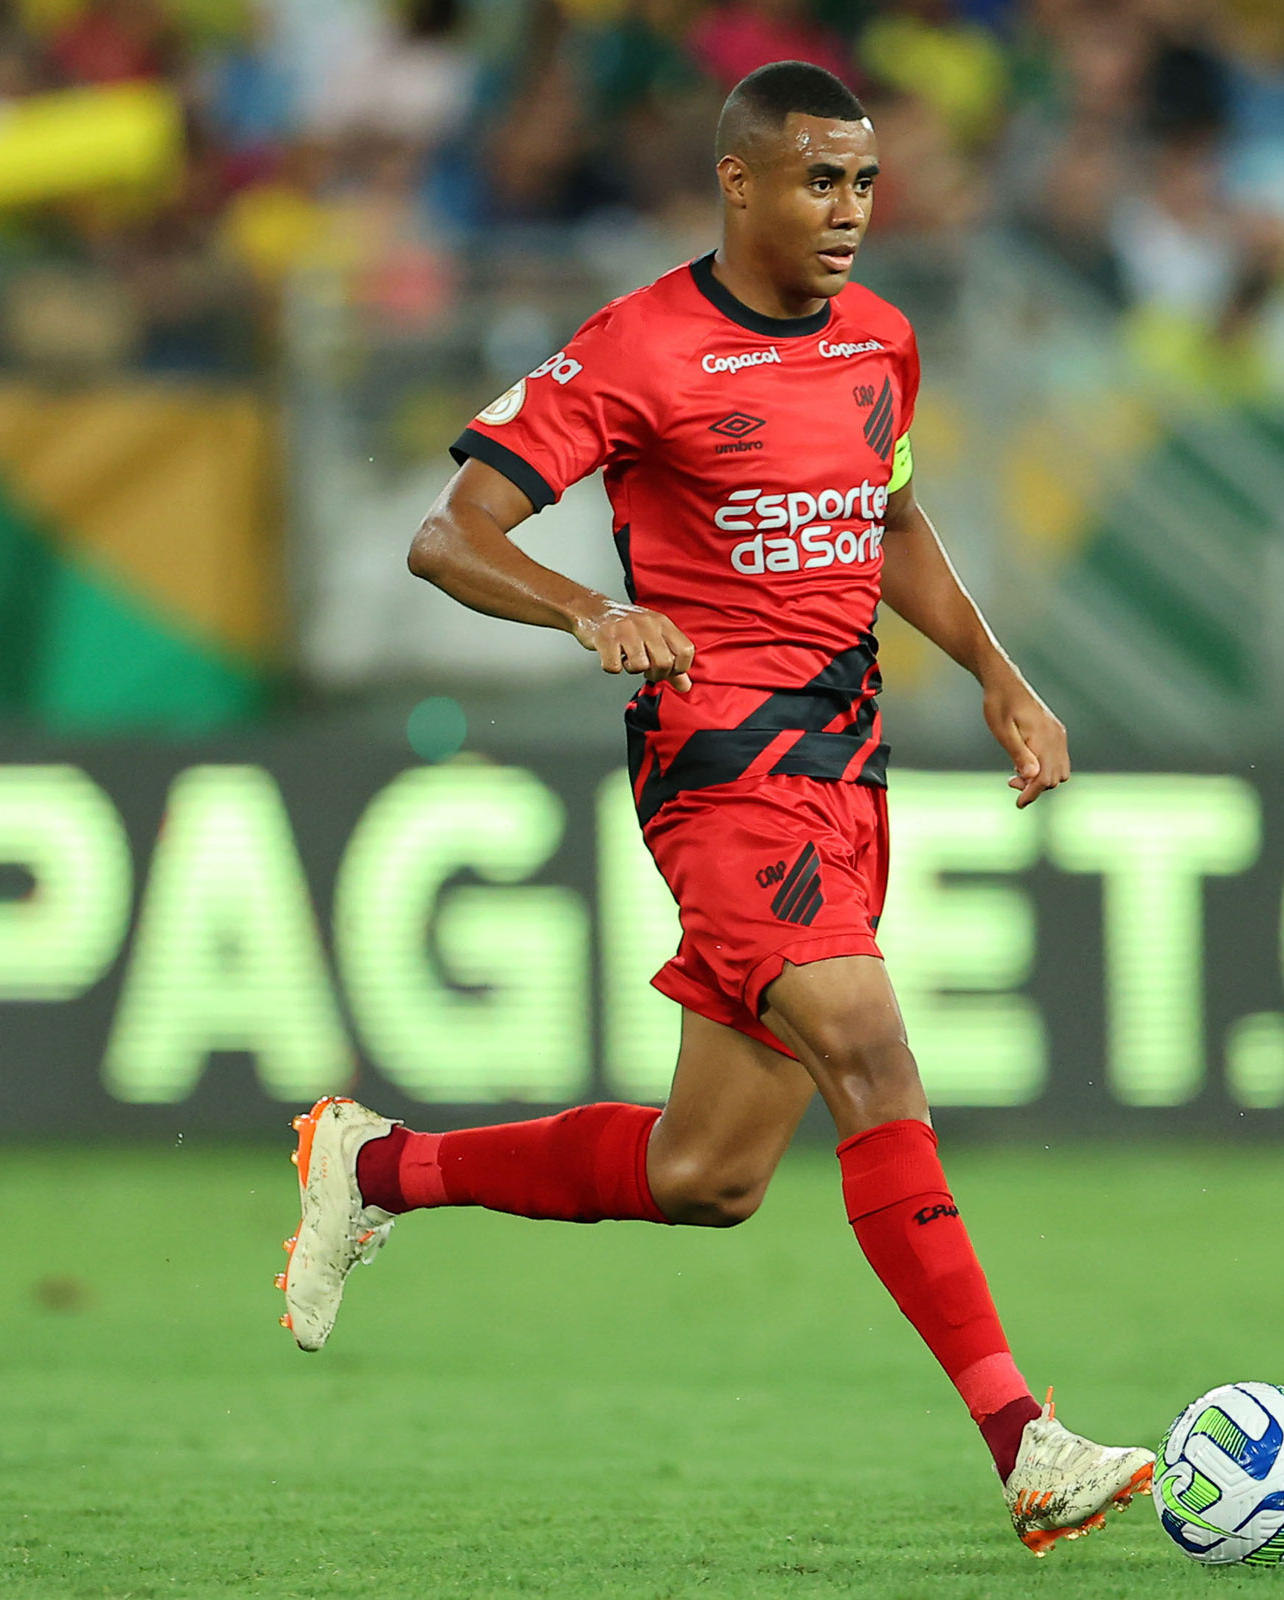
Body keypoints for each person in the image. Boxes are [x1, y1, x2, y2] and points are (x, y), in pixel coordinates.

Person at [274, 62, 1155, 1555]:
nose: (850, 210)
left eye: (864, 182)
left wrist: (1000, 676)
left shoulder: (882, 341)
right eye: (821, 180)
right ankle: (1028, 1443)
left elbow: (889, 518)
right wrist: (587, 609)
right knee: (872, 1051)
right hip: (721, 777)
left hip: (848, 774)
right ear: (739, 182)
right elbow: (448, 536)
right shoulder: (639, 348)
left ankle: (376, 1168)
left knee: (710, 1175)